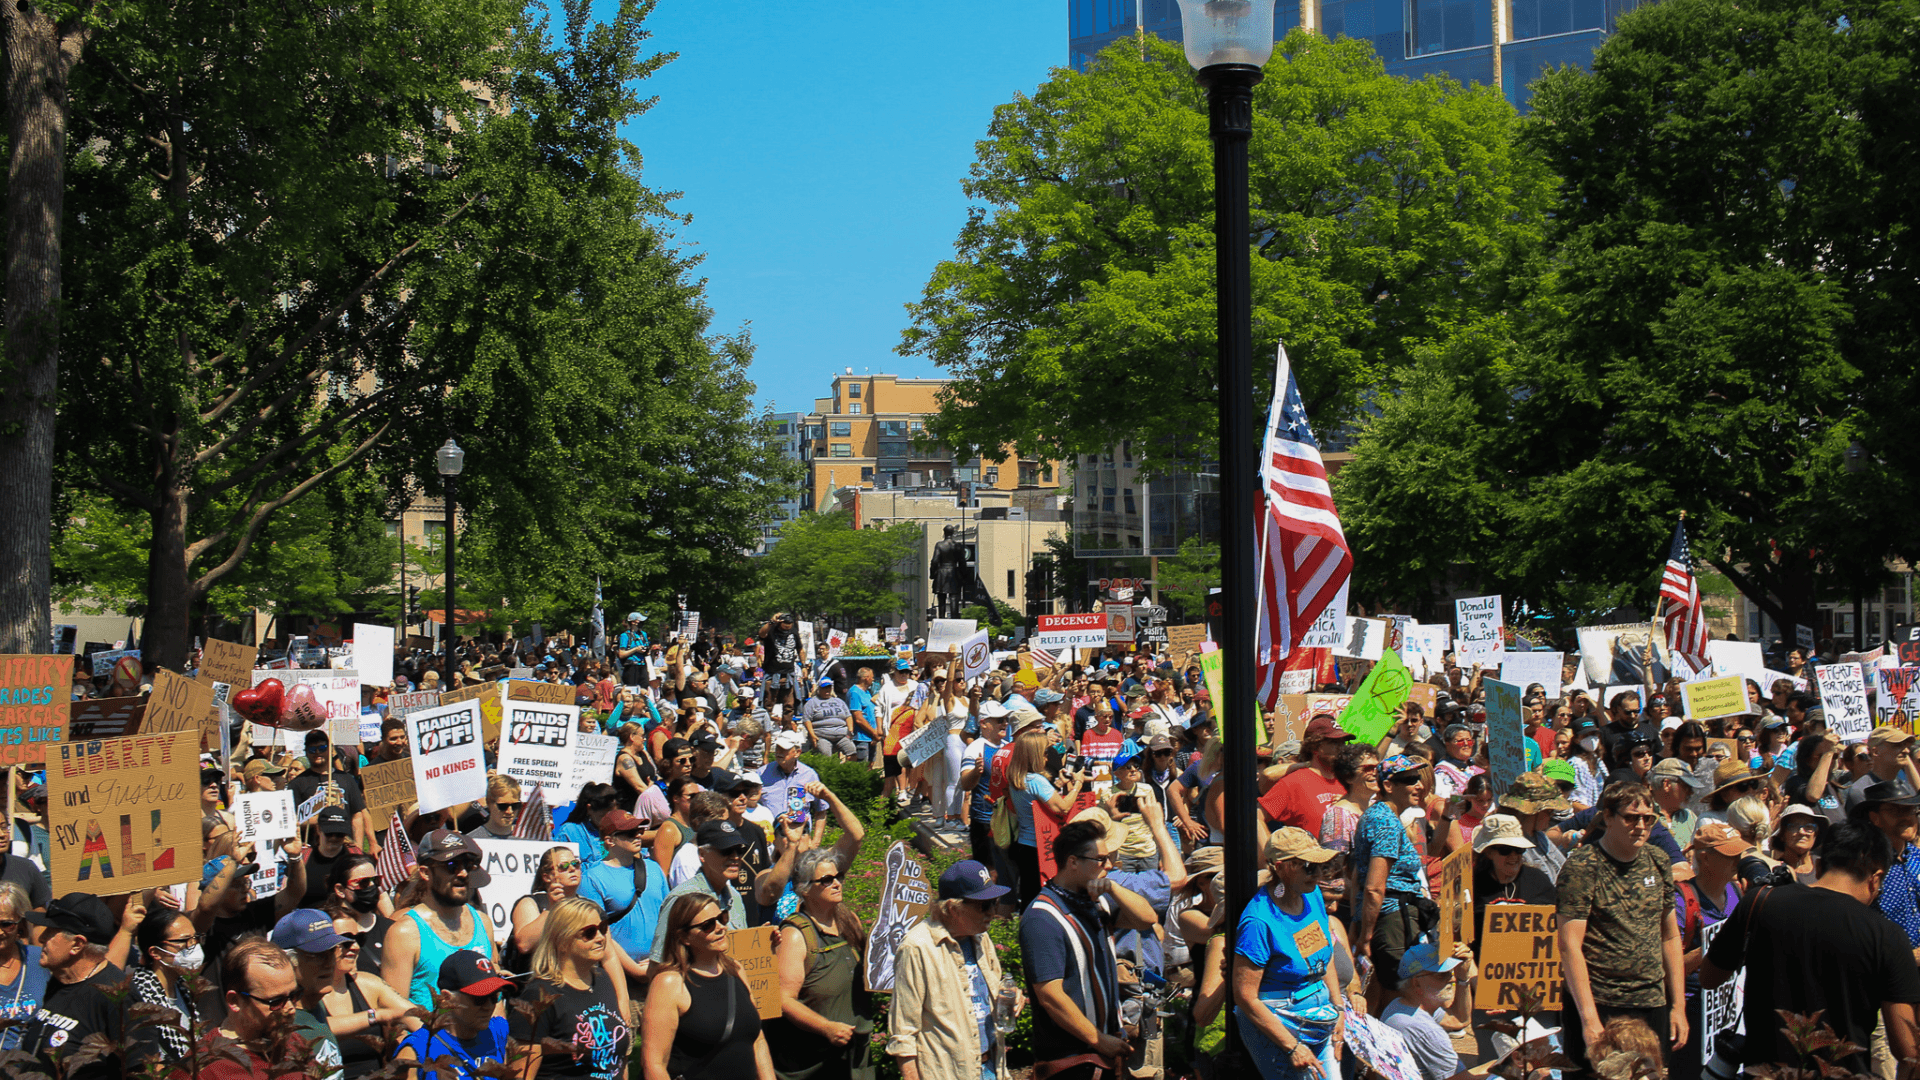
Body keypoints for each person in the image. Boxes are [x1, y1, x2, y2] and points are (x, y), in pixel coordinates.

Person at [1703, 821, 1920, 1077]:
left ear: (1817, 866)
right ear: (1876, 879)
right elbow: (1908, 1050)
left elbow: (1709, 977)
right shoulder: (1888, 936)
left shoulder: (1761, 902)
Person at [1556, 782, 1688, 1074]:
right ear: (1608, 817)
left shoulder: (1658, 861)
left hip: (1651, 1000)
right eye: (1631, 817)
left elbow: (1669, 935)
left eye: (1647, 819)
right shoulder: (1583, 865)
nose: (1640, 826)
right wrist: (1589, 1019)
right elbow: (1569, 945)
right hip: (1602, 1000)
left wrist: (1678, 1006)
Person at [1021, 819, 1158, 1080]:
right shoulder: (1042, 918)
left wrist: (1114, 889)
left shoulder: (1098, 902)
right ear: (1073, 862)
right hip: (1071, 1060)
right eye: (1101, 859)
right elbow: (1050, 995)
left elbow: (1146, 918)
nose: (1109, 866)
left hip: (1103, 1054)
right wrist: (1097, 1039)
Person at [1232, 827, 1349, 1080]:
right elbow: (1245, 996)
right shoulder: (1258, 922)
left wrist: (1338, 1009)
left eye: (1321, 865)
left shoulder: (1312, 894)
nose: (1318, 874)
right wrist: (1292, 1046)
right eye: (1309, 866)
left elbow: (1321, 958)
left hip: (1319, 1016)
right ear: (1281, 866)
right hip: (1280, 1026)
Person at [887, 860, 1020, 1080]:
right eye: (983, 905)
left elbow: (994, 990)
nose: (992, 912)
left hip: (991, 1068)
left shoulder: (980, 937)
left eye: (994, 903)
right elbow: (904, 1031)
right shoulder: (917, 947)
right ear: (952, 908)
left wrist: (1013, 998)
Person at [766, 848, 874, 1080]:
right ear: (805, 889)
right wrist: (826, 1028)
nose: (836, 884)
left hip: (855, 1058)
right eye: (826, 880)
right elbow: (783, 999)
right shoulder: (796, 935)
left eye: (838, 877)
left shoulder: (849, 920)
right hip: (813, 1062)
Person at [641, 892, 775, 1080]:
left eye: (721, 918)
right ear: (684, 937)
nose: (720, 927)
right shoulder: (669, 983)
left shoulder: (736, 969)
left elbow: (757, 1039)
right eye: (707, 925)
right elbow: (654, 1064)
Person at [511, 896, 634, 1080]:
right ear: (562, 941)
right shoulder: (539, 995)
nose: (601, 938)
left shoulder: (603, 981)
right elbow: (520, 1075)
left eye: (602, 928)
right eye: (589, 932)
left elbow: (617, 1062)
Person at [382, 829, 497, 1010]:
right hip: (430, 1035)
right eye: (452, 865)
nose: (463, 873)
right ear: (426, 873)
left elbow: (495, 1000)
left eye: (467, 864)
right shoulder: (405, 933)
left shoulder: (483, 923)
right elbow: (394, 1016)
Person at [1352, 754, 1434, 999]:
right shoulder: (1385, 822)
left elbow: (1359, 874)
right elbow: (1374, 887)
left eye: (1418, 778)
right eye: (1409, 779)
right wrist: (1365, 937)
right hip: (1390, 919)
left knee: (1382, 994)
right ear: (1388, 786)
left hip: (1389, 917)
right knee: (1401, 995)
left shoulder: (1380, 816)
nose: (1418, 785)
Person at [169, 939, 310, 1080]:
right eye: (276, 1001)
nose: (291, 1008)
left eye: (293, 995)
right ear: (234, 1001)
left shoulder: (294, 1043)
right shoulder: (202, 1068)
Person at [392, 950, 514, 1080]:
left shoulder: (497, 1032)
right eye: (480, 998)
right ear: (446, 998)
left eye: (494, 996)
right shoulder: (418, 1050)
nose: (489, 1006)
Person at [1006, 727, 1088, 906]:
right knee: (1047, 899)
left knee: (1029, 897)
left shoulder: (1018, 778)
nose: (1047, 757)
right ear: (1034, 755)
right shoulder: (1037, 781)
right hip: (1042, 848)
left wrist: (1059, 784)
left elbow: (1042, 800)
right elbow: (1063, 808)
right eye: (1044, 753)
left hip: (1025, 844)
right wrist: (1077, 785)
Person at [652, 821, 756, 962]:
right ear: (702, 854)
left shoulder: (735, 897)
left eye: (740, 850)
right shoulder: (681, 898)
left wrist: (759, 940)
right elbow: (659, 962)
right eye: (726, 850)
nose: (735, 857)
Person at [269, 909, 349, 1077]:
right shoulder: (283, 1024)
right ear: (288, 961)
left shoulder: (313, 1002)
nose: (328, 962)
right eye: (317, 955)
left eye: (332, 951)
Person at [1381, 942, 1475, 1080]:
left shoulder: (1399, 1006)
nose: (1452, 979)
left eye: (1451, 972)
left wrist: (1463, 978)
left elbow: (1459, 1020)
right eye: (1441, 975)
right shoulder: (1426, 1031)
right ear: (1416, 983)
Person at [128, 906, 204, 1065]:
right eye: (184, 941)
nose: (193, 946)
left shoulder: (183, 989)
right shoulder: (140, 999)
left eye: (195, 938)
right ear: (155, 952)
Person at [1257, 716, 1356, 836]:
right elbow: (1257, 817)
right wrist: (1268, 850)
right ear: (1315, 746)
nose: (1342, 747)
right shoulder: (1295, 782)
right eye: (1334, 742)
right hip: (1308, 854)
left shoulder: (1349, 780)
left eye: (1343, 742)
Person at [1469, 814, 1555, 948]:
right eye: (1505, 850)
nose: (1514, 856)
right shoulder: (1472, 884)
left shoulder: (1539, 882)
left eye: (1519, 849)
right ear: (1489, 852)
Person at [509, 845, 591, 973]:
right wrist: (552, 908)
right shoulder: (531, 903)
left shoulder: (588, 906)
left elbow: (609, 956)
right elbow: (524, 945)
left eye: (575, 863)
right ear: (547, 877)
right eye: (563, 866)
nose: (572, 869)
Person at [324, 854, 393, 976]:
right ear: (340, 890)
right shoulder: (325, 929)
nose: (372, 887)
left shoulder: (392, 930)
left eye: (375, 881)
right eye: (364, 882)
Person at [0, 881, 49, 1052]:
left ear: (21, 924)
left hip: (32, 1068)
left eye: (6, 924)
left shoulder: (41, 959)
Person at [1770, 802, 1825, 884]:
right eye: (1794, 826)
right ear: (1782, 835)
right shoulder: (1774, 871)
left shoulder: (1825, 867)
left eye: (1809, 827)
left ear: (1815, 834)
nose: (1802, 832)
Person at [468, 774, 524, 839]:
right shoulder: (472, 840)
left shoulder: (528, 841)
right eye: (503, 806)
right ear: (489, 803)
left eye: (515, 805)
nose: (509, 811)